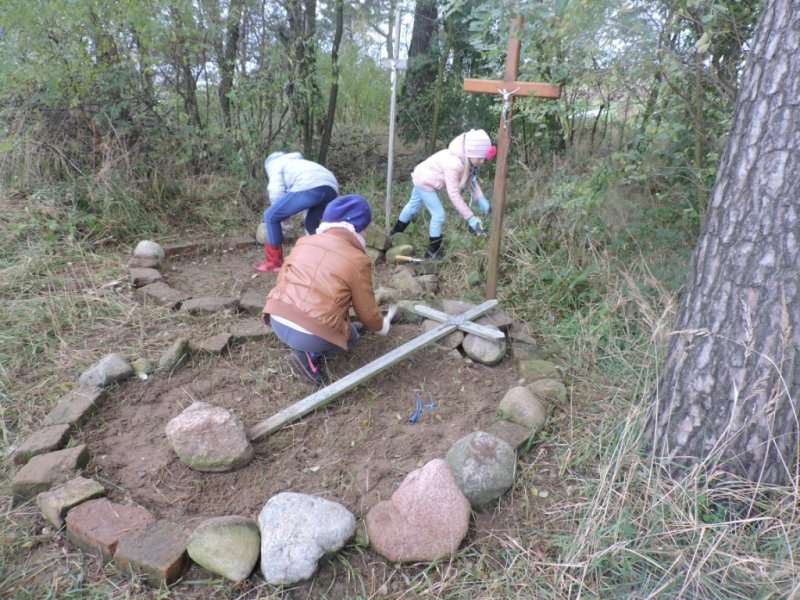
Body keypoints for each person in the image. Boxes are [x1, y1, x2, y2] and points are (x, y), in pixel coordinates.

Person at [262, 194, 396, 385]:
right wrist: (381, 326)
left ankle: (327, 337)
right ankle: (305, 356)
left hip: (277, 317)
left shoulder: (303, 242)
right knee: (342, 343)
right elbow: (366, 312)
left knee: (351, 338)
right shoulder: (357, 260)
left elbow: (282, 280)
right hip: (311, 332)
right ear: (361, 229)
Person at [388, 129, 496, 259]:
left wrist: (480, 198)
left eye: (484, 158)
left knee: (412, 206)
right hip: (425, 181)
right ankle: (433, 250)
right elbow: (454, 195)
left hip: (421, 175)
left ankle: (395, 233)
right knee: (439, 215)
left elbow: (470, 180)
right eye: (480, 157)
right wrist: (471, 218)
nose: (483, 161)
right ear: (471, 153)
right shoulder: (454, 164)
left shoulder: (465, 160)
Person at [252, 151, 339, 273]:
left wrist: (283, 218)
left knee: (270, 215)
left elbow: (276, 191)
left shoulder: (275, 164)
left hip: (310, 185)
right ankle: (316, 260)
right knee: (311, 224)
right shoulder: (298, 162)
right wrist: (285, 216)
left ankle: (273, 262)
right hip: (331, 187)